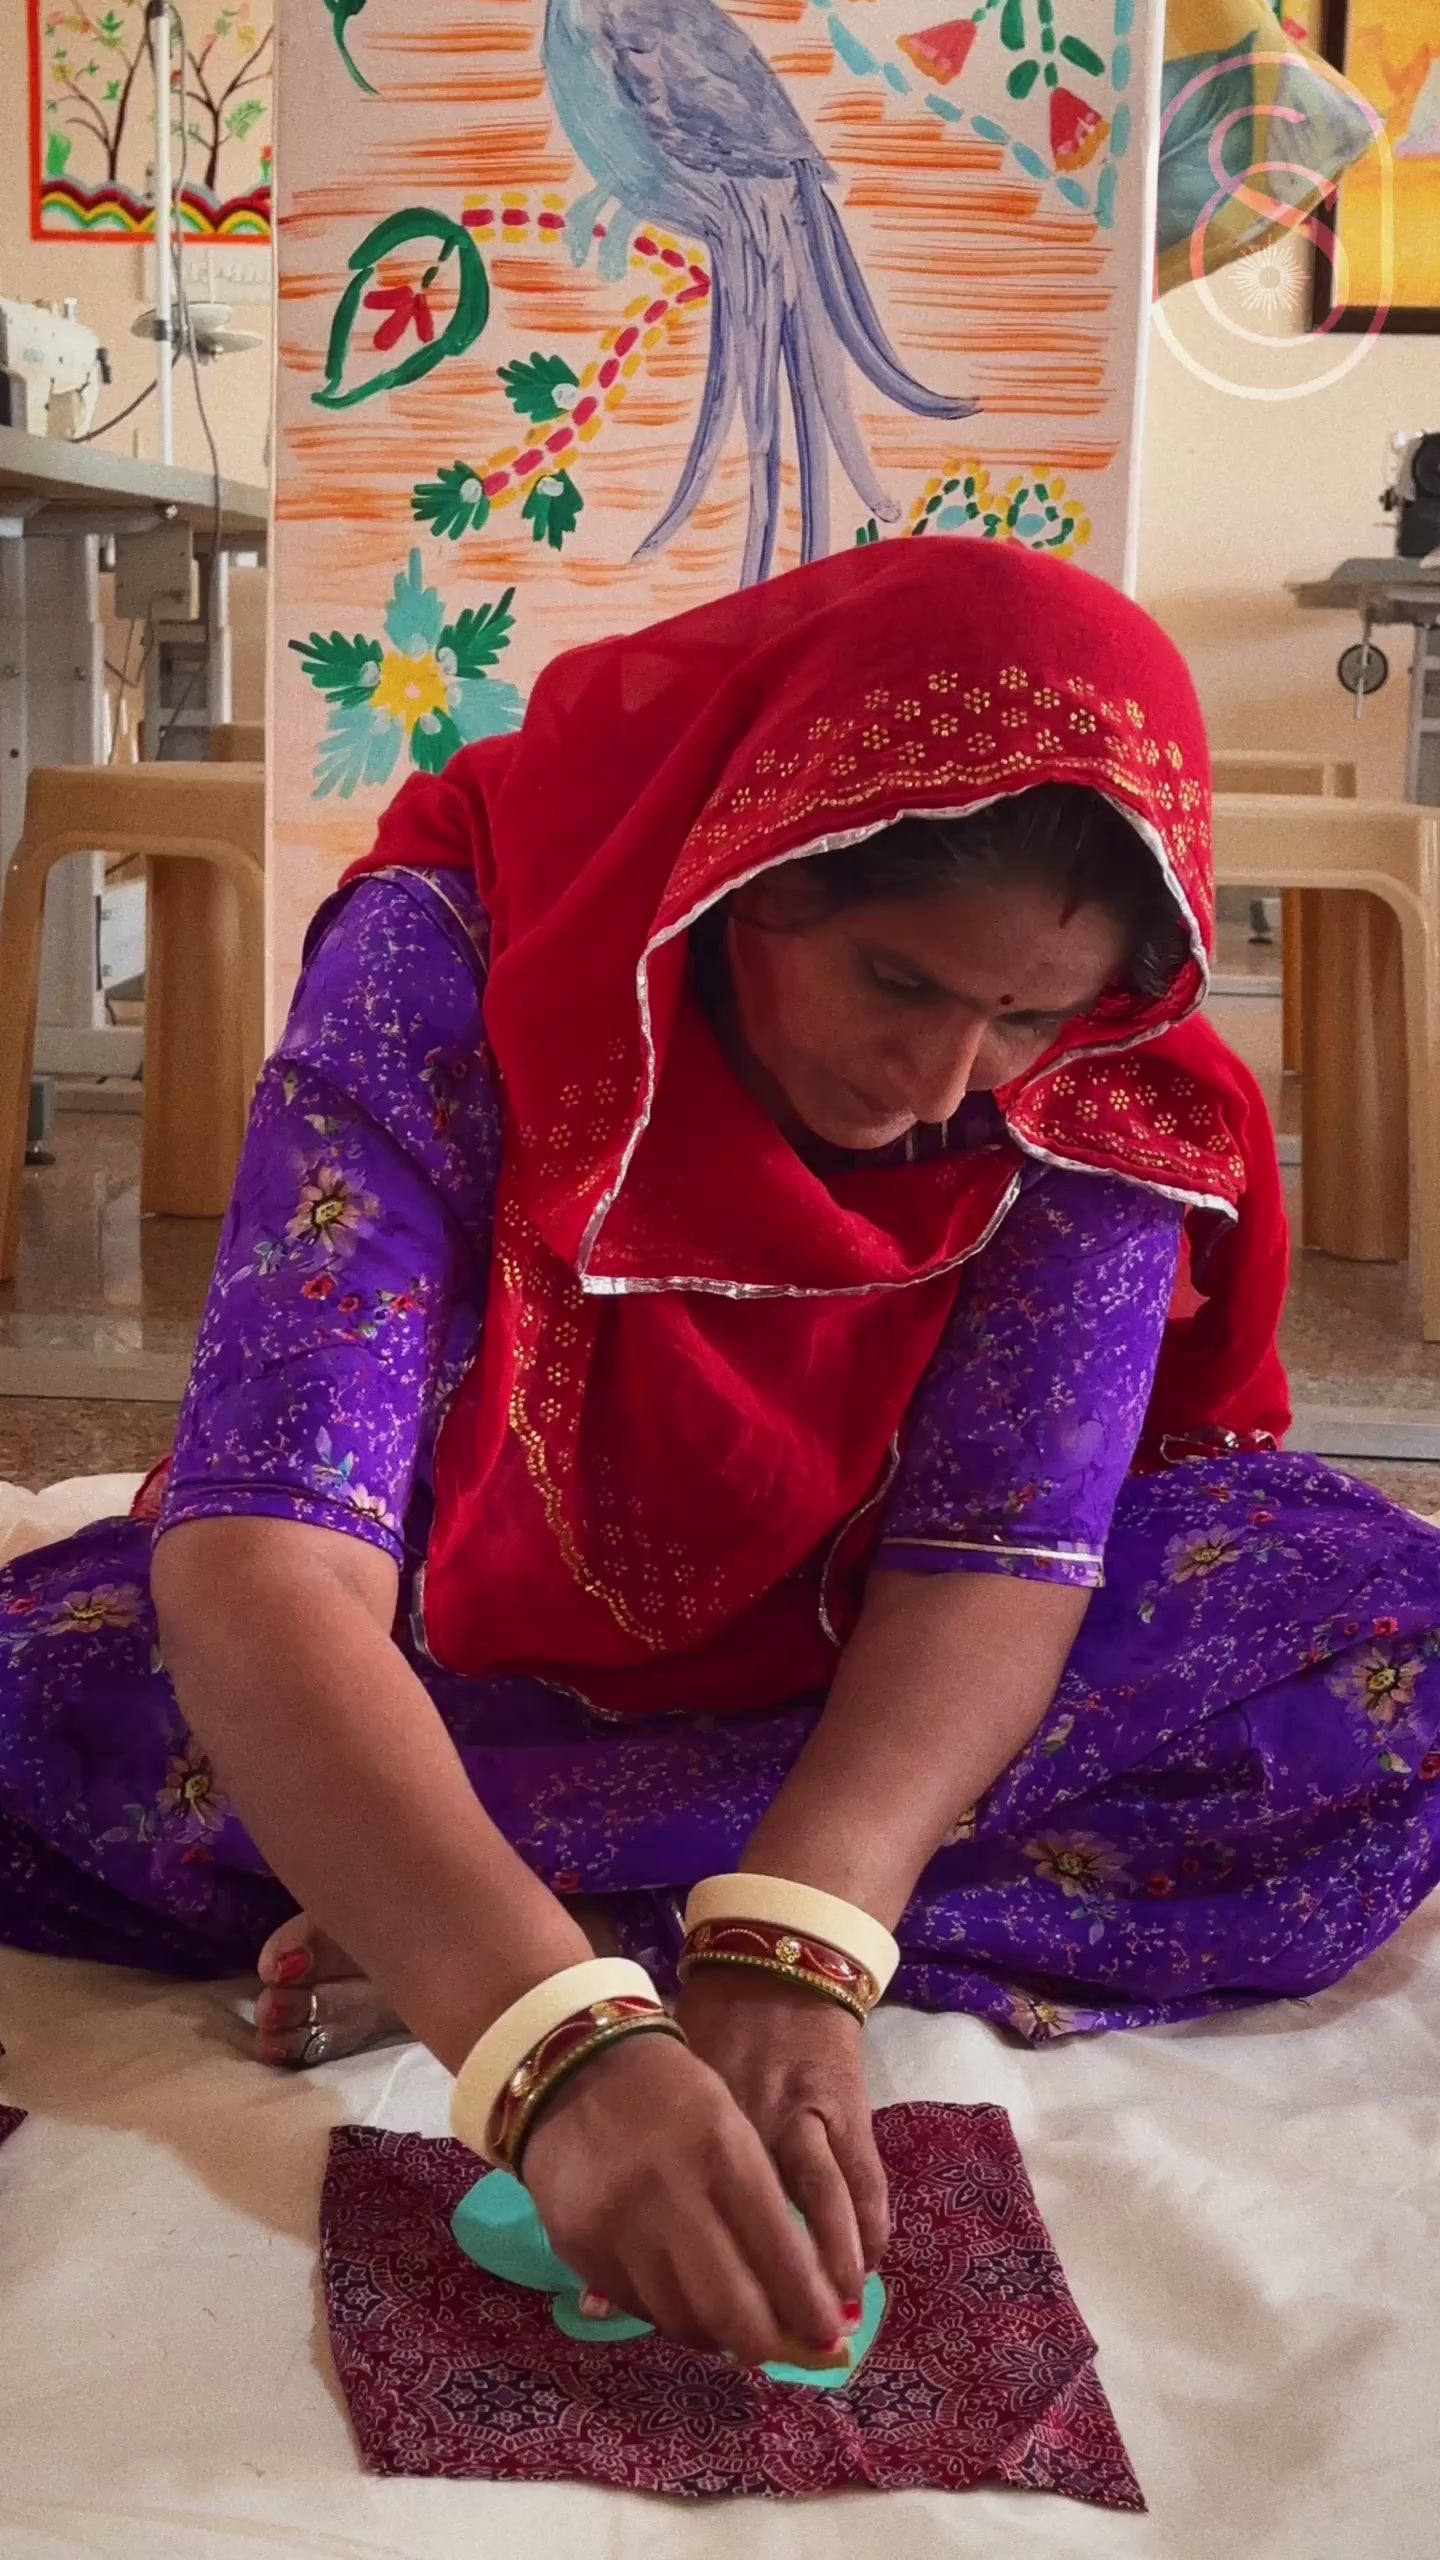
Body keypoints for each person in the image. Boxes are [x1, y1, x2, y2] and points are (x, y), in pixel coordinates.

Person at [3, 542, 1439, 2368]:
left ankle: (538, 1895)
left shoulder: (1091, 1094)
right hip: (459, 1641)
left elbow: (1000, 1555)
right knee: (61, 1719)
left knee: (1386, 1655)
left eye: (1020, 1013)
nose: (940, 1083)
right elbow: (271, 1558)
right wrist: (554, 2049)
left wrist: (796, 1946)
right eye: (896, 980)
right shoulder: (459, 955)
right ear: (745, 870)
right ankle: (528, 1907)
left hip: (875, 1670)